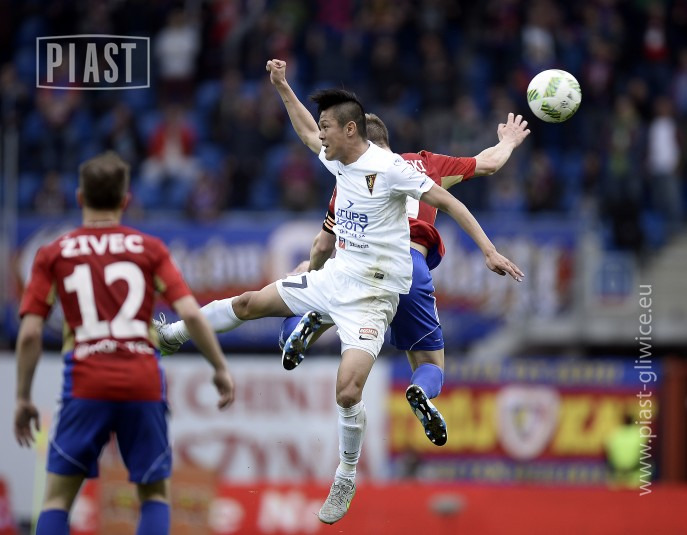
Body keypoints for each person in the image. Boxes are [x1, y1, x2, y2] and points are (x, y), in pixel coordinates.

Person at [156, 59, 522, 525]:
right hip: (335, 279)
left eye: (329, 127)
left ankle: (345, 475)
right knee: (249, 303)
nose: (322, 136)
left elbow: (448, 201)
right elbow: (307, 133)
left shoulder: (392, 169)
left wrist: (489, 251)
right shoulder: (338, 160)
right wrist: (282, 86)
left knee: (347, 391)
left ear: (351, 130)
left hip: (373, 297)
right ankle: (171, 336)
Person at [13, 151, 235, 535]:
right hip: (141, 378)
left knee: (56, 501)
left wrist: (22, 397)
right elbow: (192, 313)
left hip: (86, 380)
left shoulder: (53, 253)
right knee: (154, 496)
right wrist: (219, 368)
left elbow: (30, 333)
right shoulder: (149, 248)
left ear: (80, 198)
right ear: (126, 200)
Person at [279, 110, 530, 447]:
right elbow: (488, 163)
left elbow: (311, 137)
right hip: (412, 267)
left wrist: (311, 271)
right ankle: (420, 390)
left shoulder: (353, 173)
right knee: (430, 364)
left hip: (361, 263)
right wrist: (508, 141)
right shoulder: (426, 165)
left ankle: (307, 324)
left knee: (311, 306)